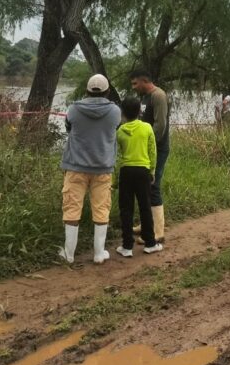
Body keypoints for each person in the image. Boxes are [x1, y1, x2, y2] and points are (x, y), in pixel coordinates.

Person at [58, 74, 119, 265]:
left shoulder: (74, 109)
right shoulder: (115, 111)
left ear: (86, 90)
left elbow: (69, 127)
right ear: (107, 91)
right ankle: (99, 253)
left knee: (72, 208)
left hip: (76, 166)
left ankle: (69, 254)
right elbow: (115, 129)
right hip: (103, 167)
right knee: (101, 209)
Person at [115, 97, 162, 258]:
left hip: (126, 171)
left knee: (126, 209)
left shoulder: (120, 131)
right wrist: (152, 171)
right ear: (140, 111)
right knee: (145, 206)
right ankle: (150, 243)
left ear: (123, 112)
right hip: (143, 171)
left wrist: (116, 177)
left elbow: (119, 154)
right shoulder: (147, 128)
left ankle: (127, 246)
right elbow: (152, 151)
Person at [130, 69, 170, 247]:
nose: (133, 87)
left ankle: (157, 232)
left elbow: (160, 126)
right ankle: (147, 223)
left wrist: (147, 143)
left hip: (157, 149)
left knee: (153, 186)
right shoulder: (144, 97)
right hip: (144, 149)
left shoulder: (158, 96)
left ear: (144, 80)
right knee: (144, 186)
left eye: (135, 83)